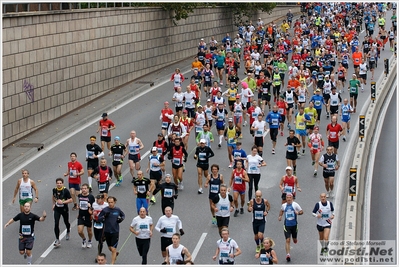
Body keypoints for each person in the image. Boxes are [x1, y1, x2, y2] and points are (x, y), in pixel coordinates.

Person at [97, 196, 125, 265]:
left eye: (111, 202)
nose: (110, 204)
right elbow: (99, 219)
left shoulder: (117, 210)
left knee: (113, 249)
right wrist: (104, 216)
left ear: (114, 202)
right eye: (109, 202)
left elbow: (123, 215)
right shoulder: (105, 210)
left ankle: (112, 263)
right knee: (110, 248)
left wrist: (120, 219)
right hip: (107, 231)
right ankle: (115, 253)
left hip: (115, 231)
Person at [278, 193, 303, 262]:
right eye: (287, 198)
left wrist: (298, 213)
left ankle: (295, 239)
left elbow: (302, 211)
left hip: (294, 225)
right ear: (286, 198)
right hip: (287, 225)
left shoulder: (295, 205)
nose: (288, 199)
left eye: (290, 198)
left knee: (294, 239)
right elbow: (281, 211)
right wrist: (280, 216)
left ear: (292, 198)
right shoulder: (284, 205)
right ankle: (288, 254)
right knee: (287, 240)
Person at [52, 177, 72, 247]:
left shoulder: (65, 190)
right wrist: (54, 204)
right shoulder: (54, 190)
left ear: (62, 184)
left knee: (66, 221)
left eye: (60, 183)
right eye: (58, 183)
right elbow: (54, 197)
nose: (59, 184)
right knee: (56, 223)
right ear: (56, 184)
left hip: (64, 209)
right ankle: (57, 239)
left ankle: (68, 230)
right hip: (57, 209)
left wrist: (63, 202)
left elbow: (71, 200)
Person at [77, 183, 95, 249]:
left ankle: (90, 240)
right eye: (82, 188)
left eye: (85, 188)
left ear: (88, 189)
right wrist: (78, 206)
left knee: (89, 231)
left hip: (88, 216)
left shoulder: (91, 197)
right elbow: (79, 204)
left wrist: (90, 207)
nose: (84, 190)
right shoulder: (79, 196)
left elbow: (94, 206)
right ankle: (84, 239)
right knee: (79, 231)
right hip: (81, 215)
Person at [92, 194, 109, 263]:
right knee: (97, 238)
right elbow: (91, 211)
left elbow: (108, 214)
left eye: (98, 199)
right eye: (96, 199)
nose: (97, 201)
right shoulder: (94, 204)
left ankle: (98, 254)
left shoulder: (106, 205)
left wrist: (103, 217)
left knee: (100, 240)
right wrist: (93, 214)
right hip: (95, 223)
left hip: (103, 223)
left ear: (102, 199)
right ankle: (103, 238)